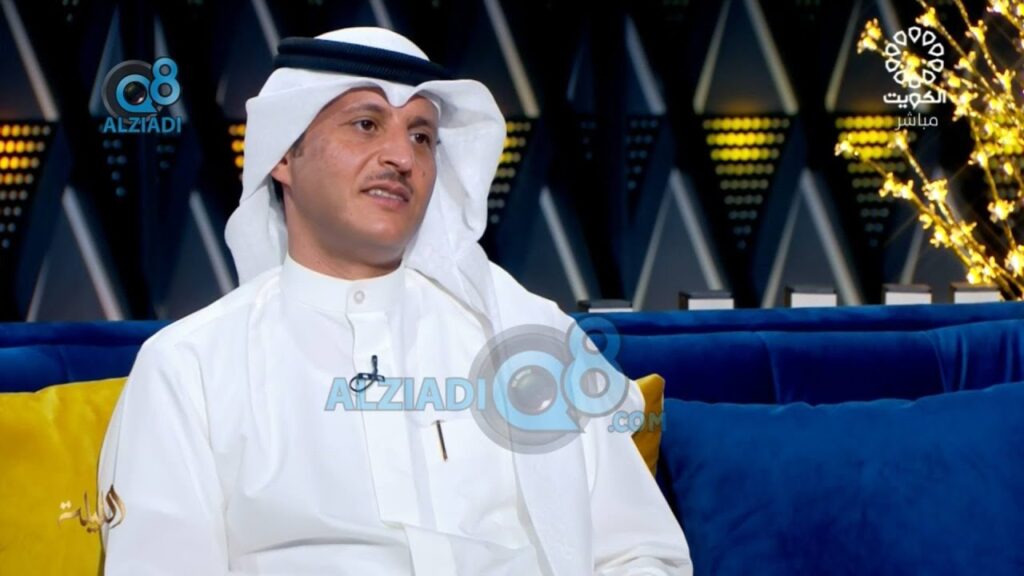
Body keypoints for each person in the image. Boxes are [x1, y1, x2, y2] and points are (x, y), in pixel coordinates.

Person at [98, 27, 692, 575]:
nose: (402, 158)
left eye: (421, 136)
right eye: (365, 124)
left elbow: (641, 554)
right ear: (282, 155)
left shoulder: (528, 339)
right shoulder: (192, 367)